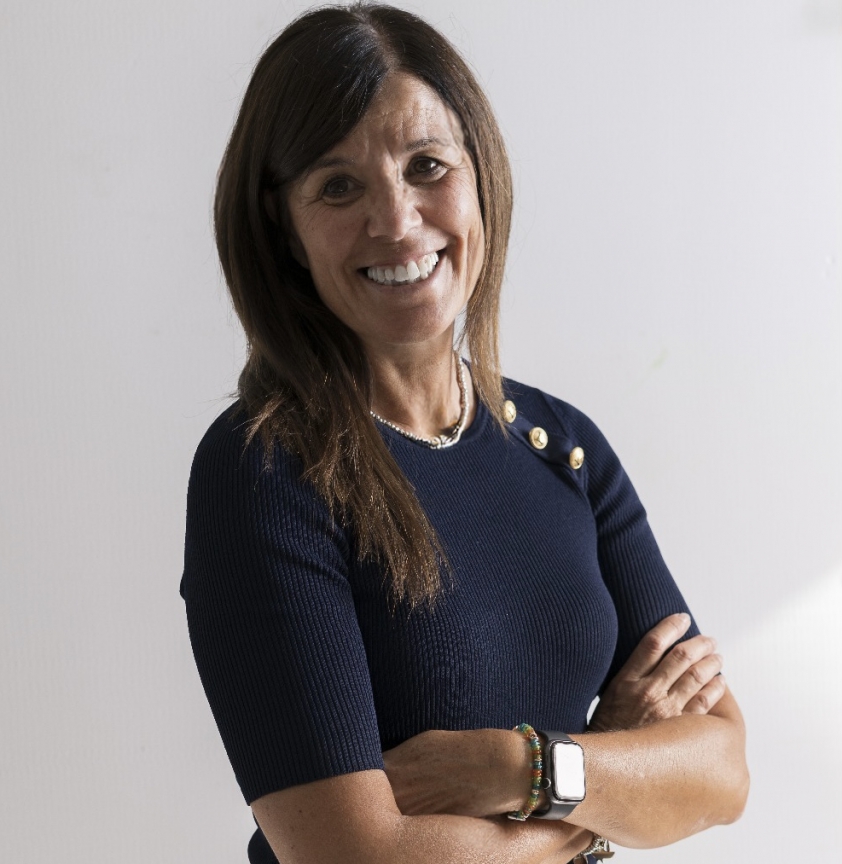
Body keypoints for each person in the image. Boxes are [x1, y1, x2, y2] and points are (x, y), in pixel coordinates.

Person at [180, 4, 749, 863]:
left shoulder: (563, 449)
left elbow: (721, 771)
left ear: (481, 175)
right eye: (338, 187)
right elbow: (357, 858)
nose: (397, 221)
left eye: (427, 166)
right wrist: (605, 775)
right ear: (285, 232)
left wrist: (519, 767)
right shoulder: (264, 471)